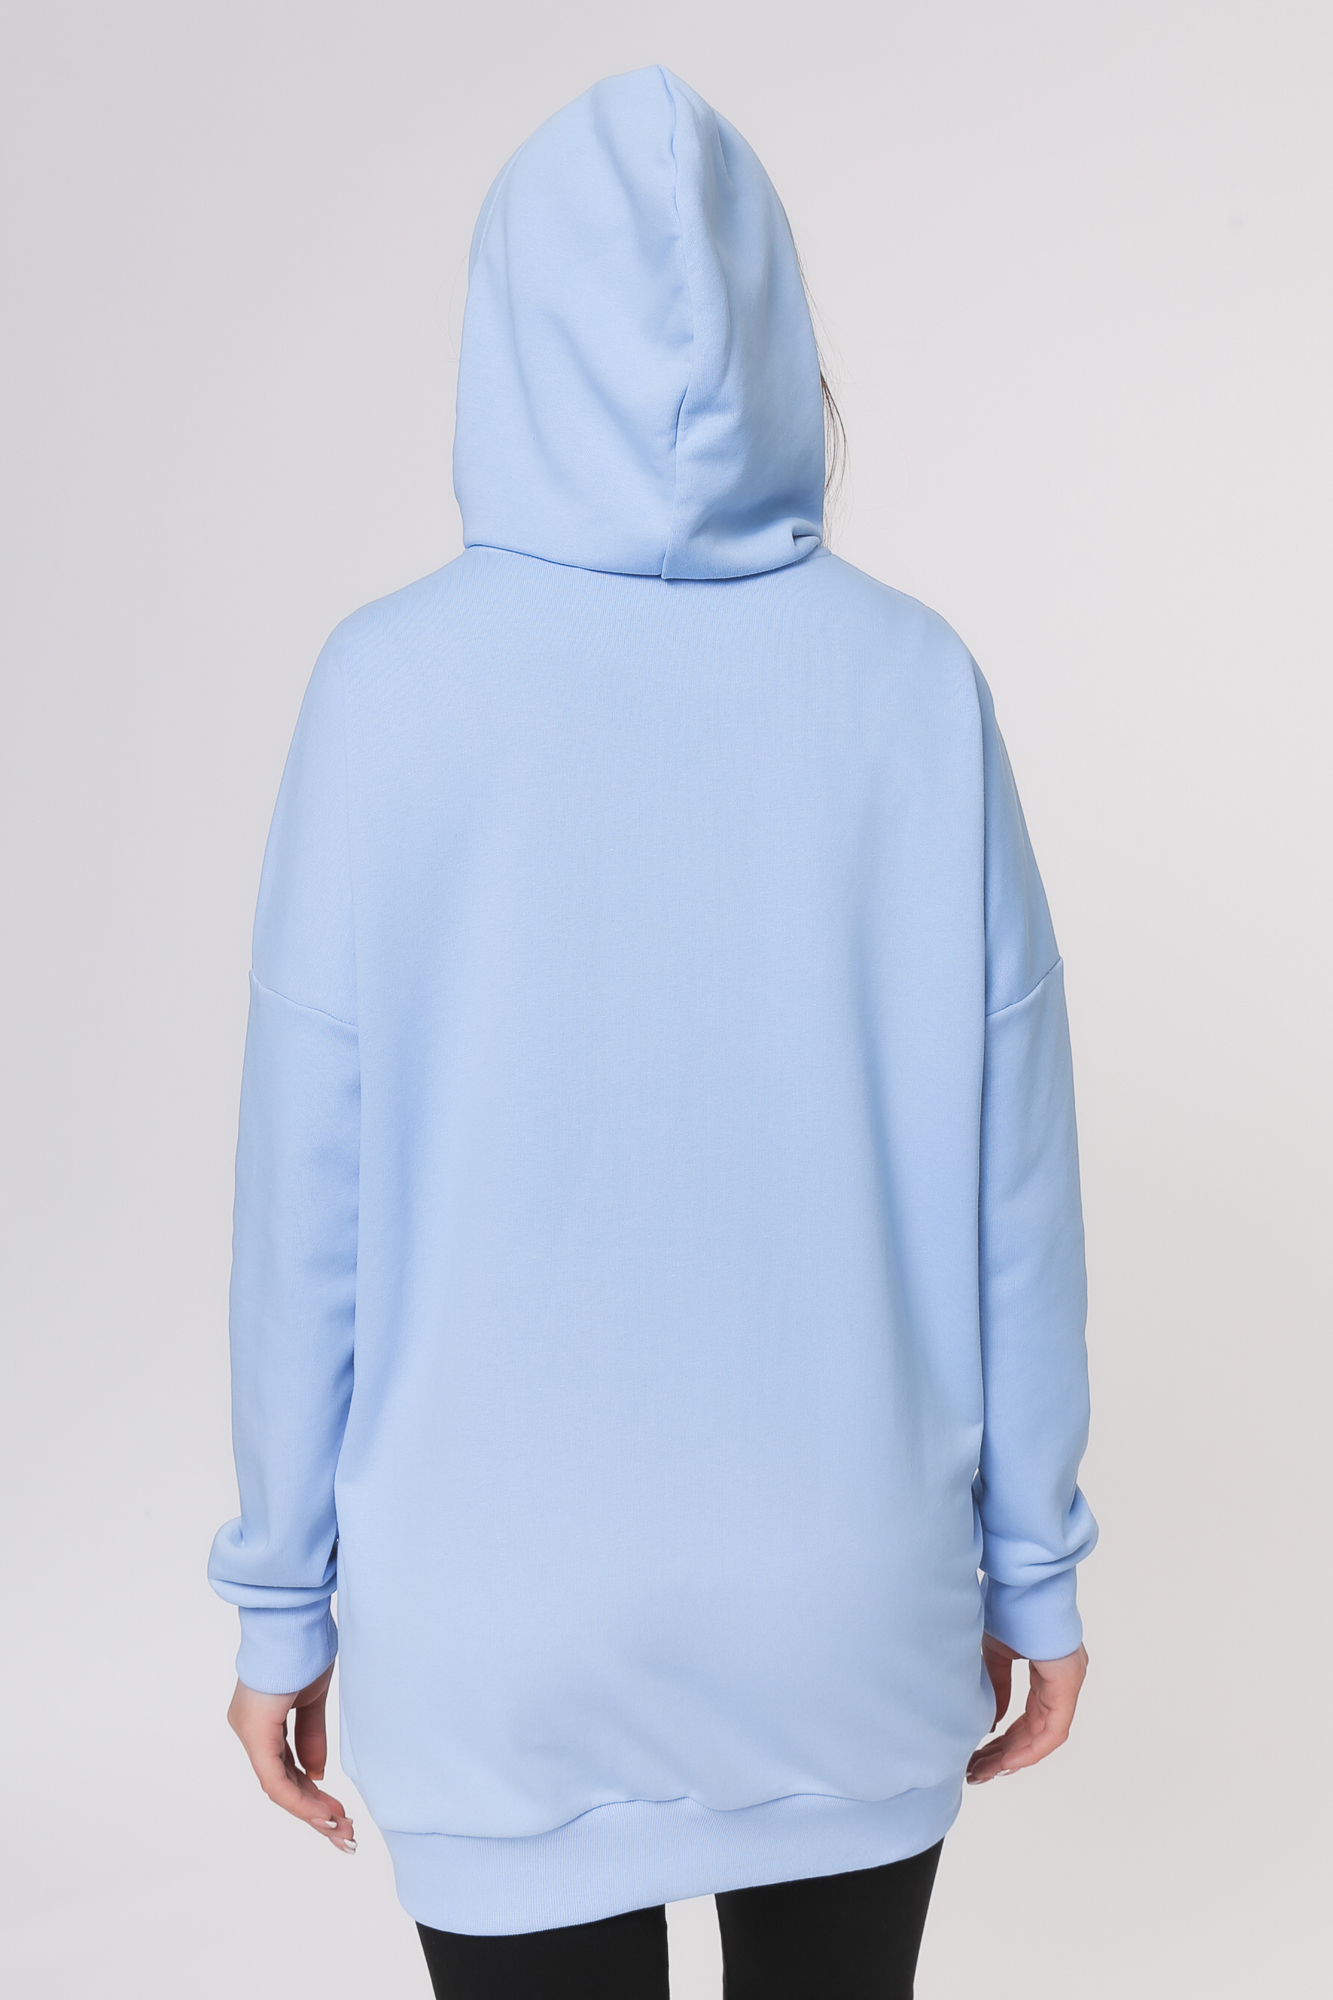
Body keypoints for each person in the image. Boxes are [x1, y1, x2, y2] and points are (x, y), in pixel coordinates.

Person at [210, 65, 1096, 1999]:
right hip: (845, 1614)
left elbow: (306, 1198)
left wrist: (282, 1600)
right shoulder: (914, 687)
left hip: (494, 1634)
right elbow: (1013, 1184)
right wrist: (1031, 1565)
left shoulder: (383, 692)